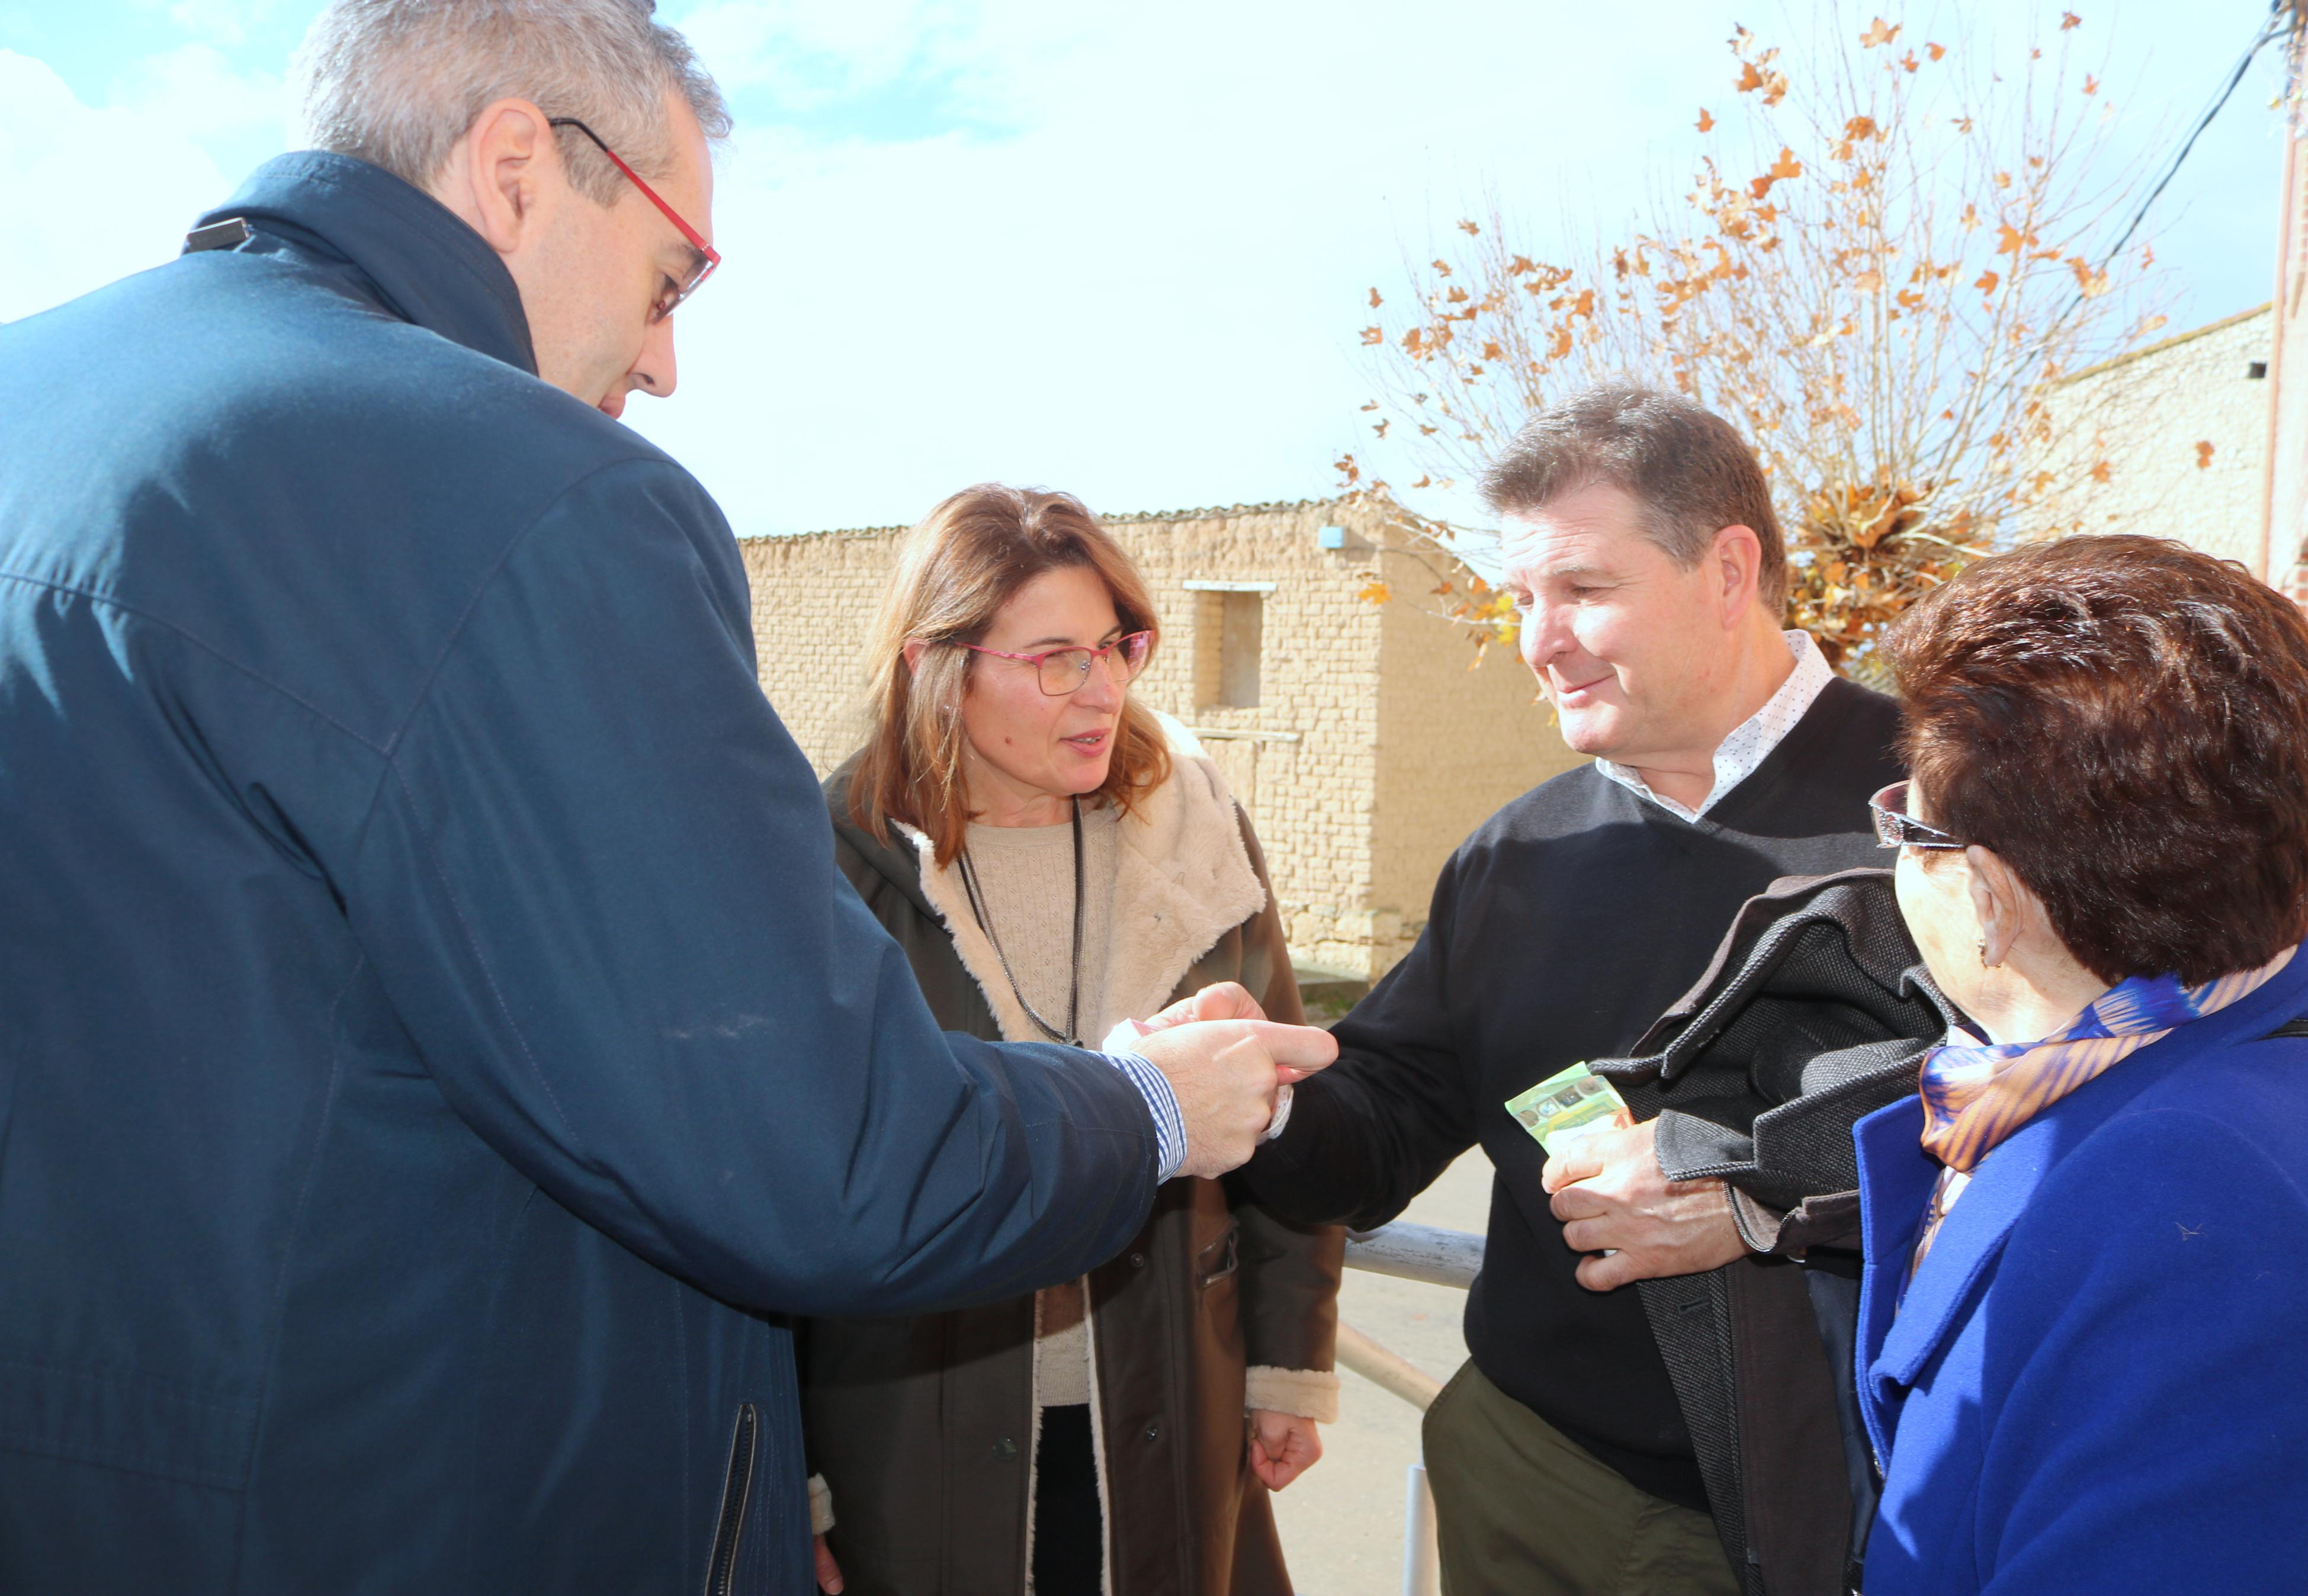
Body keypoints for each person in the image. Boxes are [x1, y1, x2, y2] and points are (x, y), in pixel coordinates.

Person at [0, 4, 1333, 1591]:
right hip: (428, 1512)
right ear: (515, 166)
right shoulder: (528, 493)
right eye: (673, 272)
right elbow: (820, 1155)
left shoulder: (40, 405)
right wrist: (1147, 1109)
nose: (667, 360)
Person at [1234, 384, 1906, 1596]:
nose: (1540, 642)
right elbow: (1392, 1114)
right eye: (1522, 600)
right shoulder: (1515, 854)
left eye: (1584, 590)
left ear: (1728, 568)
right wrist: (1262, 1092)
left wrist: (1758, 1191)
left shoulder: (1949, 813)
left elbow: (2052, 1110)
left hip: (1833, 1518)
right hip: (1526, 1476)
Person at [798, 486, 1341, 1596]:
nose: (1100, 690)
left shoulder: (1197, 838)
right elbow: (788, 1185)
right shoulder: (827, 866)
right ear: (933, 664)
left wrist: (1289, 1359)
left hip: (1172, 1408)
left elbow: (1281, 1107)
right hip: (908, 1431)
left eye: (1115, 647)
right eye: (1054, 658)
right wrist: (794, 1482)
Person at [1854, 535, 2308, 1595]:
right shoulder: (2272, 1078)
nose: (1892, 854)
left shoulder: (2187, 1205)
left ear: (1992, 899)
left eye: (1906, 824)